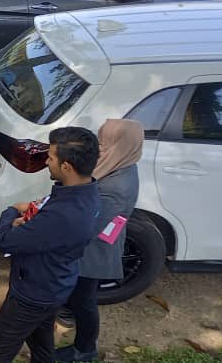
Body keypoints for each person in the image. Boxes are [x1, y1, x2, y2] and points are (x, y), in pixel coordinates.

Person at [0, 127, 101, 363]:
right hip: (55, 285)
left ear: (66, 166)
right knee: (42, 345)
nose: (47, 161)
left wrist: (11, 211)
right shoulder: (89, 192)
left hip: (32, 294)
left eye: (51, 157)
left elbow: (4, 241)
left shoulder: (63, 214)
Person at [55, 119, 143, 363]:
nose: (100, 147)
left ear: (120, 145)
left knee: (85, 301)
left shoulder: (117, 187)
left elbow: (89, 226)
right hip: (92, 244)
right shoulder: (119, 163)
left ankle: (84, 349)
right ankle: (68, 312)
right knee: (78, 294)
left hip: (92, 251)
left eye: (105, 142)